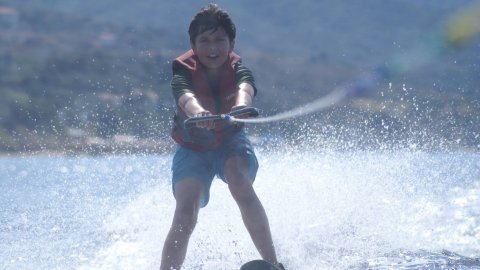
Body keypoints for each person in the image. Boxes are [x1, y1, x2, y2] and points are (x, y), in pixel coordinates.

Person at [160, 4, 284, 270]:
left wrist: (241, 105)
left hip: (231, 144)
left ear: (232, 43)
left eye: (219, 40)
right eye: (204, 41)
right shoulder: (182, 73)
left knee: (239, 181)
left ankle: (273, 264)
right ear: (192, 45)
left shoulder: (239, 68)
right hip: (192, 148)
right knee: (185, 212)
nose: (212, 47)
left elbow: (245, 87)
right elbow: (185, 96)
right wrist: (199, 112)